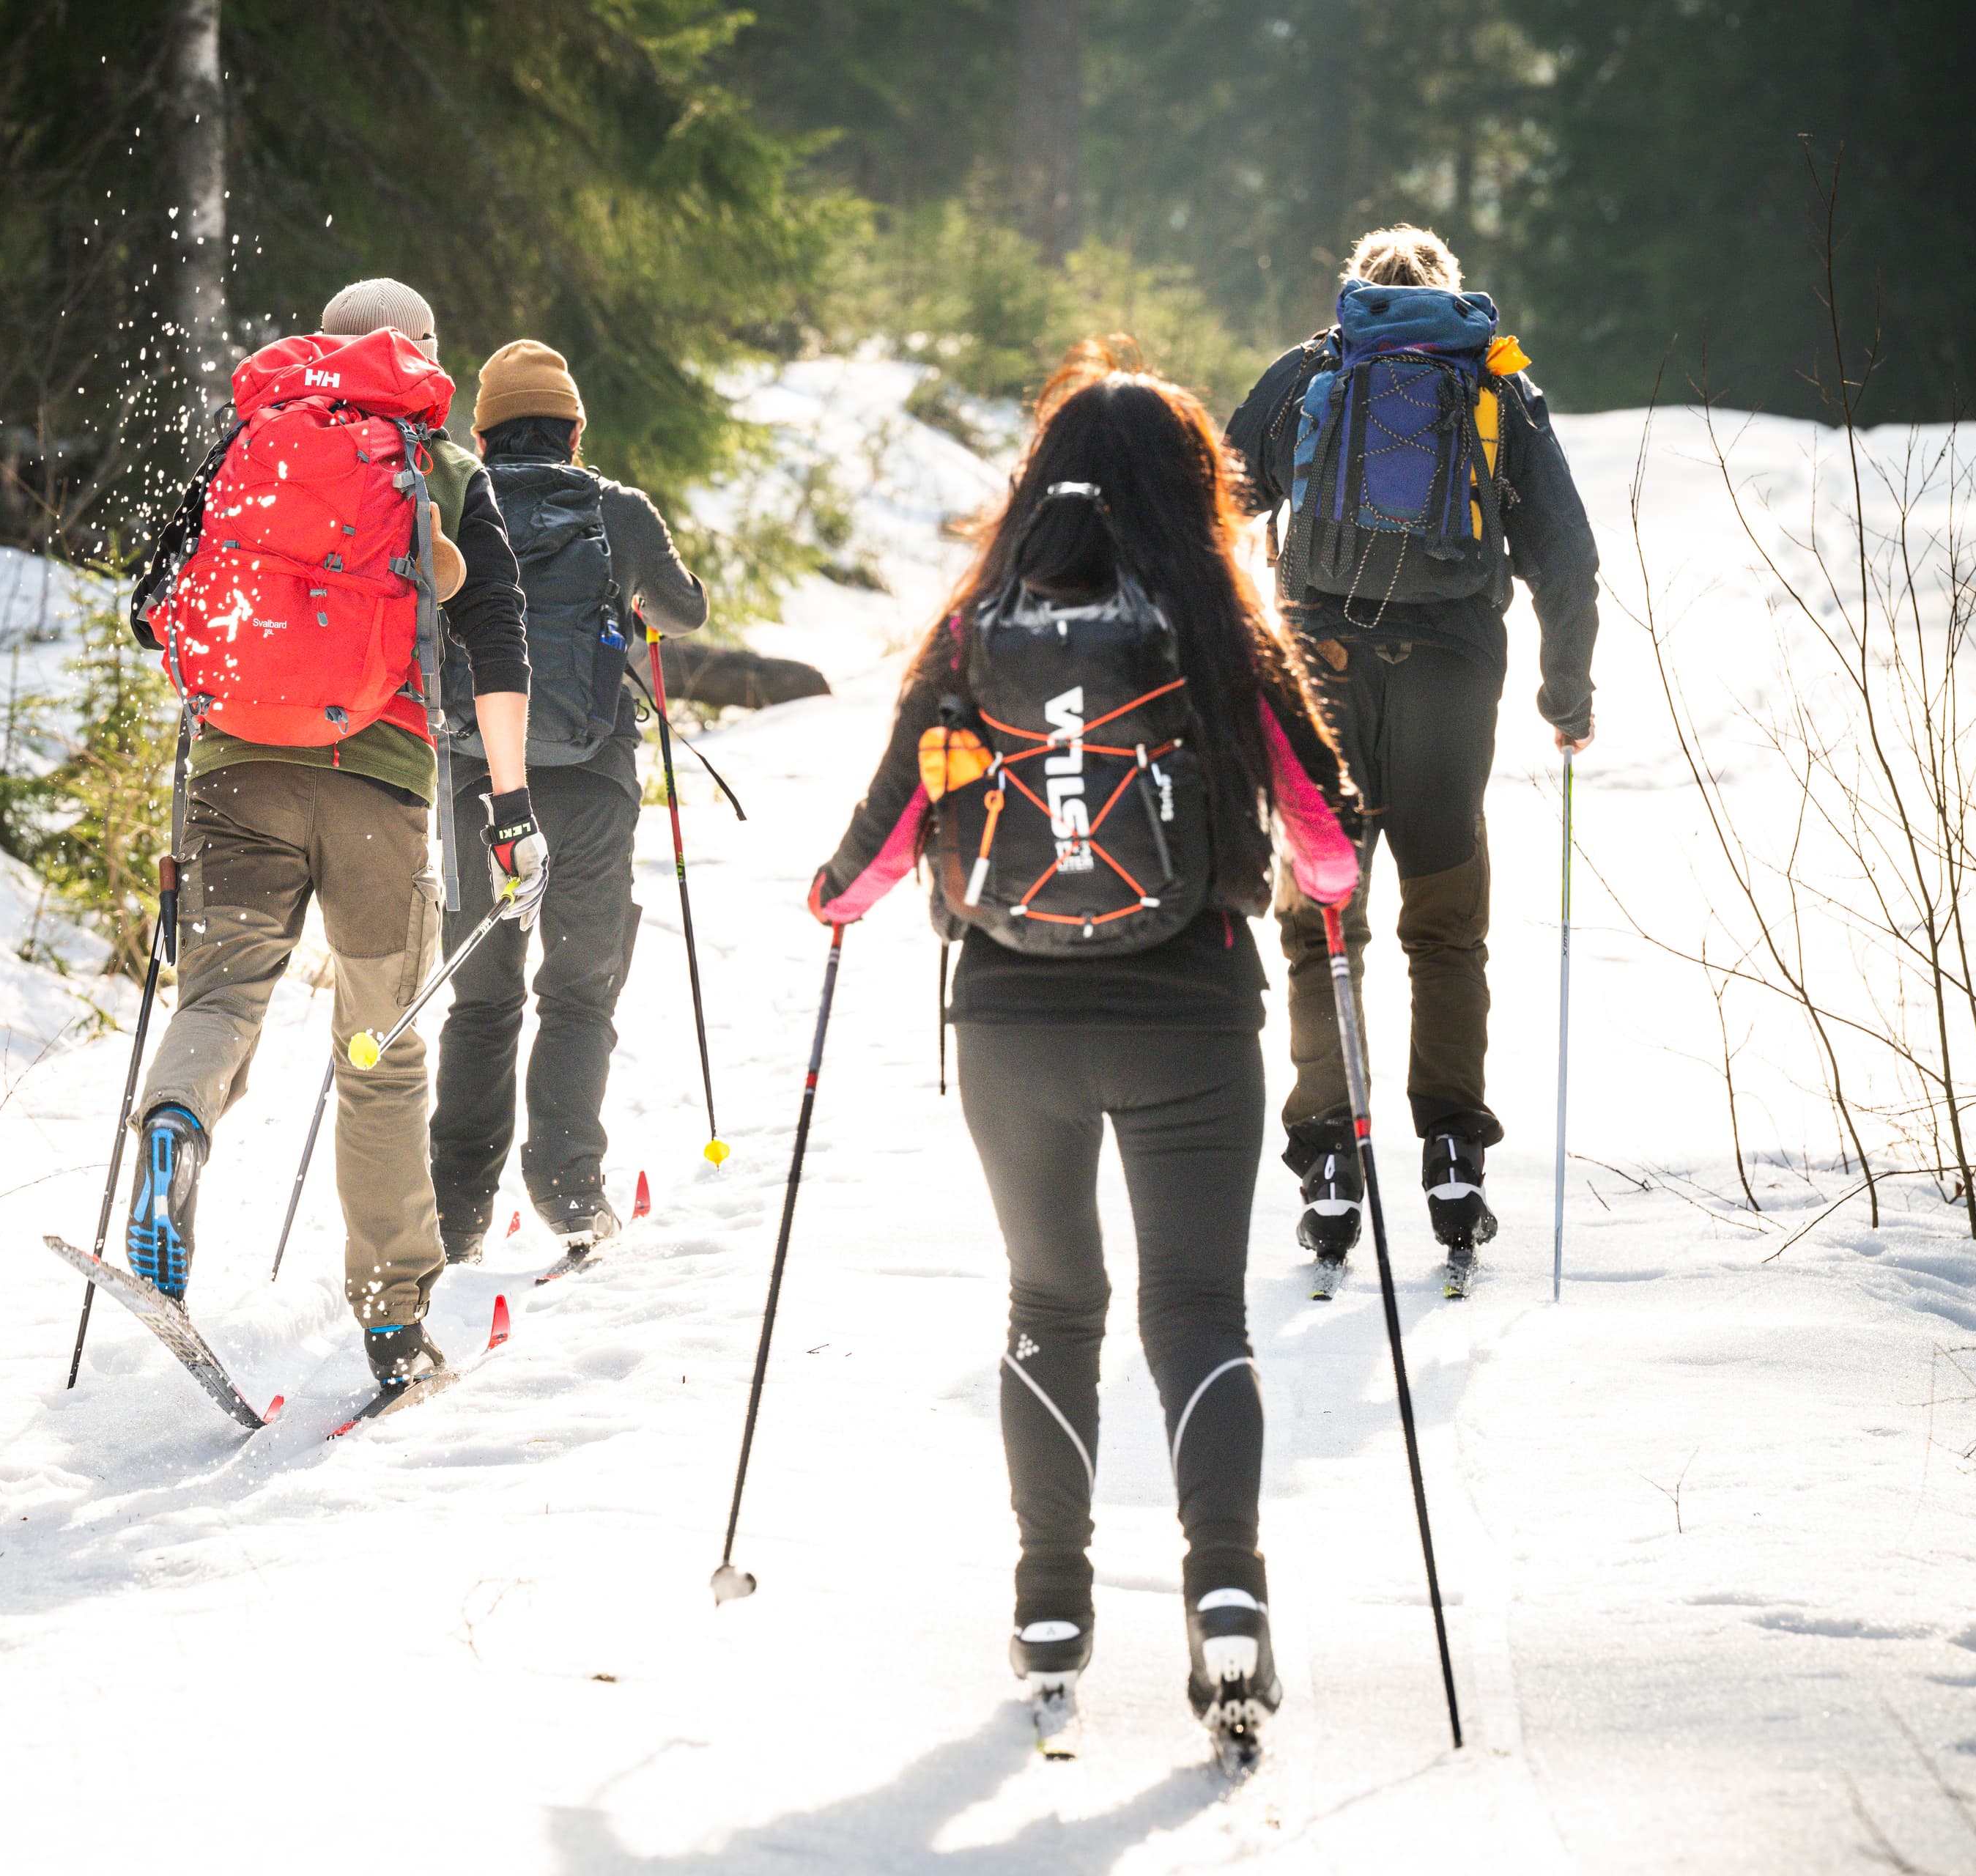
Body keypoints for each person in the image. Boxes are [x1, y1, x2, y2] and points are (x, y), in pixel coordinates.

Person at [807, 344, 1355, 1755]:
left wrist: (835, 899)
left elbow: (866, 857)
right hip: (1192, 1013)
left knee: (1052, 1308)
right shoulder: (1217, 631)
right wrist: (1323, 889)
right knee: (1197, 1315)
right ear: (1191, 490)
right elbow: (1330, 847)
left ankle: (1052, 1608)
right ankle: (1225, 1597)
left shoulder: (974, 633)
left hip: (1012, 1023)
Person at [125, 278, 541, 1391]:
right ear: (423, 356)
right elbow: (497, 641)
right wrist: (509, 813)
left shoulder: (245, 444)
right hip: (380, 785)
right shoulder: (442, 470)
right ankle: (395, 1324)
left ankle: (173, 1128)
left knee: (218, 1004)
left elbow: (151, 603)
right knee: (379, 1051)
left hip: (233, 777)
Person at [1224, 224, 1601, 1269]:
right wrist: (1563, 691)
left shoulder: (1314, 371)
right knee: (1444, 924)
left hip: (1320, 667)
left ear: (1354, 290)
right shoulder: (1492, 382)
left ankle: (1331, 1156)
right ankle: (1450, 1151)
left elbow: (1220, 500)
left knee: (1323, 920)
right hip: (1452, 670)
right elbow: (1566, 557)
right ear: (1448, 290)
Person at [429, 339, 710, 1258]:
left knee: (481, 1002)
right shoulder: (616, 509)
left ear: (483, 430)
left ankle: (456, 1210)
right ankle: (569, 1189)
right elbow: (686, 611)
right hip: (593, 786)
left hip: (477, 779)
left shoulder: (455, 499)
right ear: (576, 429)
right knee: (579, 994)